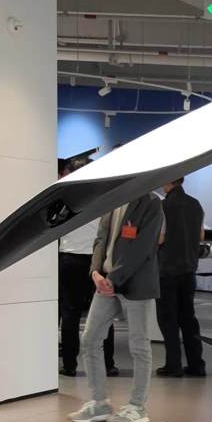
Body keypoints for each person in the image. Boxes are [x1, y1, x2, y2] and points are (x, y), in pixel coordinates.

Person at [68, 190, 164, 422]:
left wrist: (113, 278)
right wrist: (95, 272)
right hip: (105, 282)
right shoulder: (112, 199)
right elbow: (100, 238)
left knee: (139, 345)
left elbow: (143, 247)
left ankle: (137, 406)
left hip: (135, 284)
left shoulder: (151, 203)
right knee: (90, 338)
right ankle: (99, 402)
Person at [57, 156, 117, 378]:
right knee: (104, 311)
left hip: (70, 257)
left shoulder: (65, 196)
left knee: (70, 313)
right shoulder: (105, 196)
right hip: (97, 261)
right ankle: (107, 363)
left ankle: (69, 365)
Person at [156, 177, 206, 377]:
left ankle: (173, 364)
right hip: (189, 268)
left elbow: (160, 237)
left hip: (167, 269)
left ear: (168, 181)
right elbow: (201, 236)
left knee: (168, 319)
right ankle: (196, 364)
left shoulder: (163, 206)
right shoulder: (195, 204)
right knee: (188, 318)